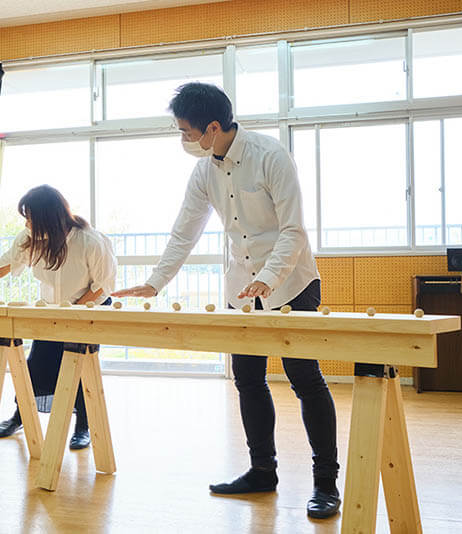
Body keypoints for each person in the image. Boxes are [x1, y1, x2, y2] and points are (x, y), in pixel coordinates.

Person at [112, 83, 340, 519]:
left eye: (186, 131)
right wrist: (155, 283)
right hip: (242, 289)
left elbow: (293, 229)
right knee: (248, 379)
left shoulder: (271, 156)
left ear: (213, 128)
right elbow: (184, 232)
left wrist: (269, 279)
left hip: (292, 283)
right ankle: (262, 471)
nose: (184, 139)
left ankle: (326, 483)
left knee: (305, 380)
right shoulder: (204, 173)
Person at [0, 185, 117, 450]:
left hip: (88, 309)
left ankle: (84, 426)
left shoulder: (90, 241)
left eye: (30, 217)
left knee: (81, 368)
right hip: (51, 312)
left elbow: (102, 286)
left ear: (48, 216)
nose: (27, 223)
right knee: (36, 366)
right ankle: (20, 416)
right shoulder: (30, 239)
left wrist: (72, 313)